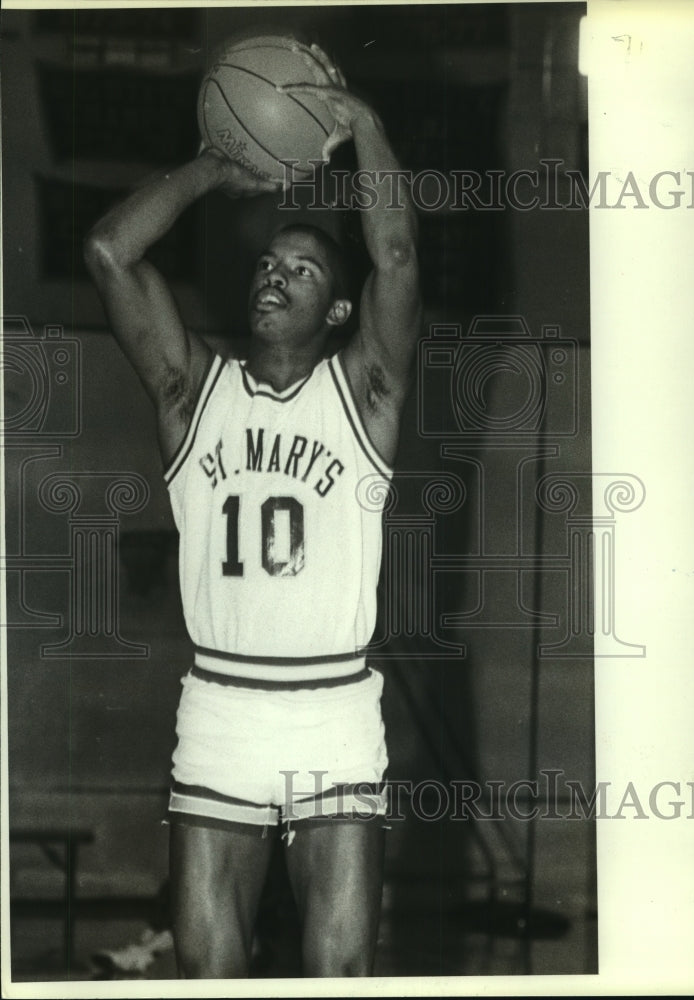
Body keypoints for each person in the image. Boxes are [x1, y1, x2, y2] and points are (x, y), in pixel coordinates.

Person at [84, 43, 421, 979]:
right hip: (224, 712)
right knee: (208, 979)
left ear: (343, 310)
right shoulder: (194, 393)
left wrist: (367, 129)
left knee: (341, 977)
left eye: (304, 270)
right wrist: (211, 167)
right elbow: (111, 250)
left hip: (333, 714)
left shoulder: (367, 398)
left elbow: (393, 250)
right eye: (269, 262)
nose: (274, 276)